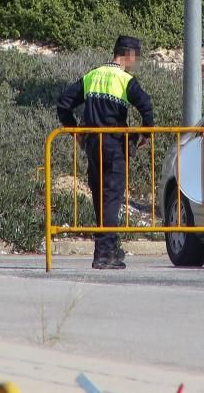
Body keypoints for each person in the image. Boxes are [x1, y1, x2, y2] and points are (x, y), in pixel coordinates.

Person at [56, 36, 155, 270]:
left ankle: (110, 249)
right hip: (114, 144)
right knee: (112, 197)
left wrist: (75, 132)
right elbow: (146, 106)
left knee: (101, 196)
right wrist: (146, 135)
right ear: (129, 55)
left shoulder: (93, 75)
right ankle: (103, 253)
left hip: (92, 143)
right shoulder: (124, 79)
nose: (136, 62)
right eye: (136, 57)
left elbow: (63, 103)